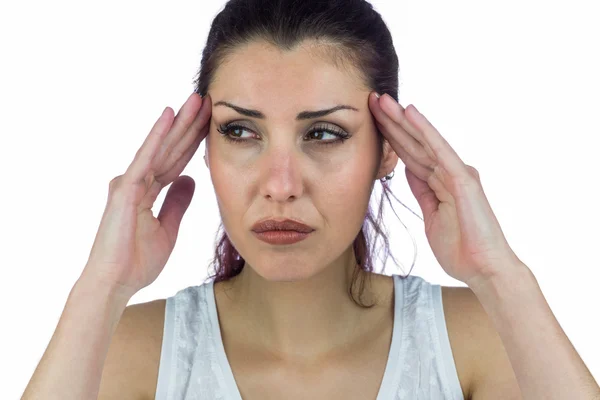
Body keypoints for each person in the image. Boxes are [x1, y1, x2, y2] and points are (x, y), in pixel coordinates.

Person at [22, 0, 600, 399]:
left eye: (323, 133)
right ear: (203, 146)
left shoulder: (478, 339)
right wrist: (102, 285)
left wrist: (500, 276)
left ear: (389, 149)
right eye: (241, 131)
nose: (280, 183)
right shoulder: (131, 349)